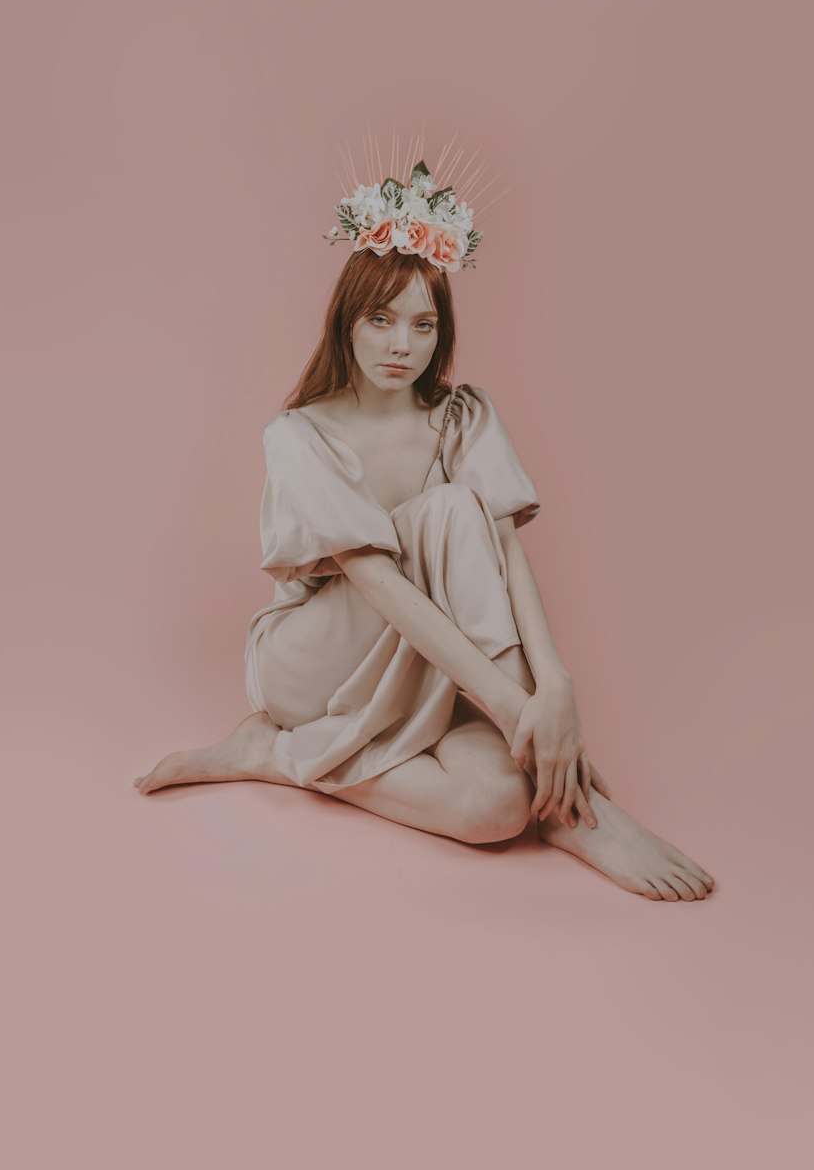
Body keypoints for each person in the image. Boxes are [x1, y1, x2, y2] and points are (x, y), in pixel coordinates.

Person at [135, 145, 716, 901]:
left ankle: (290, 758)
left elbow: (506, 553)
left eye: (422, 324)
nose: (401, 345)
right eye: (380, 320)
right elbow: (377, 583)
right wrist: (518, 712)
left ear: (443, 332)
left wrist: (557, 690)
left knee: (498, 807)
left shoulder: (461, 416)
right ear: (347, 321)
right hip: (313, 661)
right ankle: (573, 809)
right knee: (445, 510)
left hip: (424, 668)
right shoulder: (298, 433)